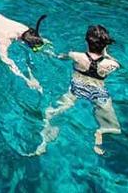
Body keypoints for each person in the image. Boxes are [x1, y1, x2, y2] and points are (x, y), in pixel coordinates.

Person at [33, 25, 120, 156]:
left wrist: (47, 48)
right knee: (113, 127)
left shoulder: (76, 55)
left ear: (86, 41)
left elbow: (60, 56)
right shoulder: (111, 64)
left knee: (49, 114)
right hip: (99, 93)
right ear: (105, 45)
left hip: (76, 89)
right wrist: (107, 55)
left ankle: (44, 142)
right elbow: (119, 66)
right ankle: (100, 132)